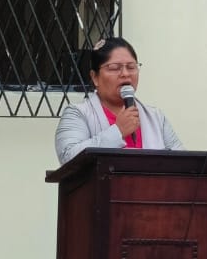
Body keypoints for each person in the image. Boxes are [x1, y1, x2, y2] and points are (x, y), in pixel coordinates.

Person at [54, 37, 183, 165]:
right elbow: (68, 158)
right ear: (95, 77)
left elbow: (183, 164)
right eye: (114, 68)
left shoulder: (155, 117)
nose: (125, 74)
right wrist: (118, 131)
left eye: (131, 67)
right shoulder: (78, 113)